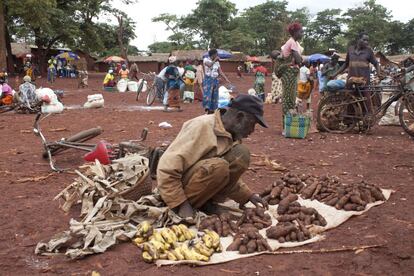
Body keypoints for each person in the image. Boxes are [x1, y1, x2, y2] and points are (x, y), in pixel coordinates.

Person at [156, 94, 269, 218]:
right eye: (252, 124)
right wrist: (181, 204)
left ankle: (206, 203)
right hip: (178, 191)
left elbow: (227, 177)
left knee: (241, 154)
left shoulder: (231, 135)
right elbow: (166, 169)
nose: (252, 130)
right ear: (239, 117)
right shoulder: (202, 126)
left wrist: (248, 195)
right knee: (219, 166)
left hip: (198, 182)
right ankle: (191, 204)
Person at [331, 32, 382, 114]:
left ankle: (366, 122)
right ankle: (350, 122)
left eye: (367, 40)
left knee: (366, 103)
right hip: (351, 81)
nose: (366, 42)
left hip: (364, 82)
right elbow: (345, 64)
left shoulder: (368, 51)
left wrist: (379, 74)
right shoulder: (350, 49)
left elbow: (376, 63)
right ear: (358, 40)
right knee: (350, 103)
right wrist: (335, 74)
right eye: (364, 40)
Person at [272, 22, 304, 133]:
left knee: (290, 99)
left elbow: (298, 60)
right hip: (289, 73)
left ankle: (288, 126)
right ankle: (286, 127)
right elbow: (299, 60)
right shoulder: (292, 43)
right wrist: (301, 60)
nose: (302, 33)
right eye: (301, 31)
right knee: (288, 100)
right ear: (295, 32)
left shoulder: (292, 42)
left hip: (290, 73)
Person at [203, 49, 230, 114]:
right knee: (208, 94)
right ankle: (208, 108)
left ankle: (213, 109)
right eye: (216, 54)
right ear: (213, 54)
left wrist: (226, 79)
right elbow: (209, 65)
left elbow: (220, 72)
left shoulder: (217, 63)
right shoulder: (206, 60)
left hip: (215, 80)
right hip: (208, 79)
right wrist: (215, 60)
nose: (217, 55)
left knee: (215, 95)